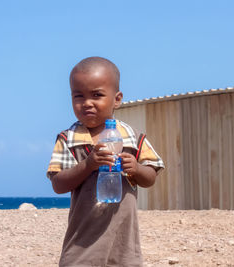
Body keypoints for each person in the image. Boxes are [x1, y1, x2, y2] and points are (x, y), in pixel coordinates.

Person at [47, 57, 165, 266]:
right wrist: (88, 164)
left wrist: (136, 169)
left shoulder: (132, 137)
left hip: (123, 243)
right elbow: (58, 184)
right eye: (78, 96)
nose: (87, 103)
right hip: (82, 242)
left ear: (117, 99)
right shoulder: (69, 139)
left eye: (97, 95)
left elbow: (151, 177)